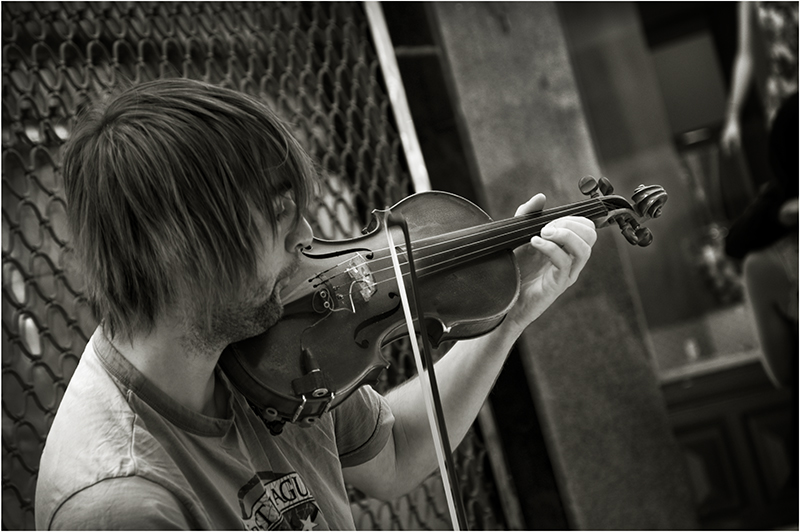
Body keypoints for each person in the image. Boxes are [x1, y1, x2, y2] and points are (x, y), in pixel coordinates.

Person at [34, 78, 597, 530]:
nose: (305, 235)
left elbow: (395, 453)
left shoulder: (268, 349)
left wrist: (508, 315)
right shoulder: (120, 504)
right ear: (178, 246)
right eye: (280, 216)